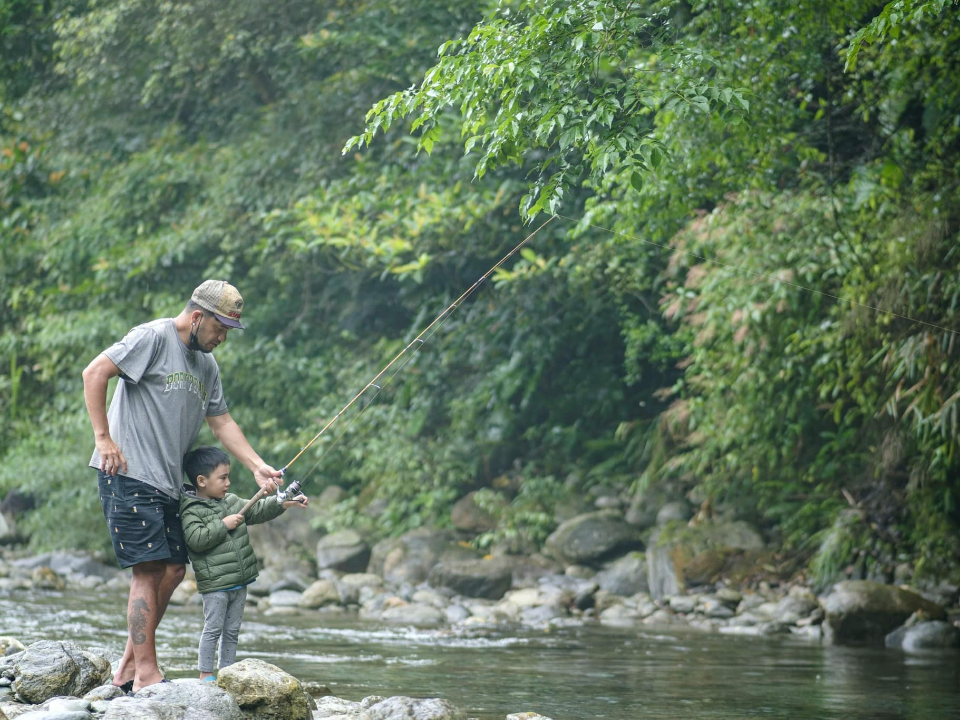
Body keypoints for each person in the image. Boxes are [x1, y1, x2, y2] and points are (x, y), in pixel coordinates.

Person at [82, 279, 284, 693]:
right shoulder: (152, 338)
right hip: (128, 473)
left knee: (173, 570)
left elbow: (221, 421)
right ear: (197, 317)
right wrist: (104, 438)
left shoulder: (207, 366)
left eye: (229, 330)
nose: (223, 337)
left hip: (170, 484)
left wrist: (258, 465)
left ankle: (126, 670)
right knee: (149, 569)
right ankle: (147, 676)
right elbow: (95, 372)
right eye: (220, 328)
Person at [180, 446, 308, 680]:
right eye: (223, 477)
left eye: (228, 476)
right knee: (213, 629)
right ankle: (205, 675)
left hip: (240, 581)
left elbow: (258, 509)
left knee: (232, 631)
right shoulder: (190, 510)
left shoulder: (230, 501)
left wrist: (284, 502)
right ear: (201, 481)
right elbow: (195, 540)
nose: (228, 482)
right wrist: (223, 525)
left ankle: (227, 673)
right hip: (216, 585)